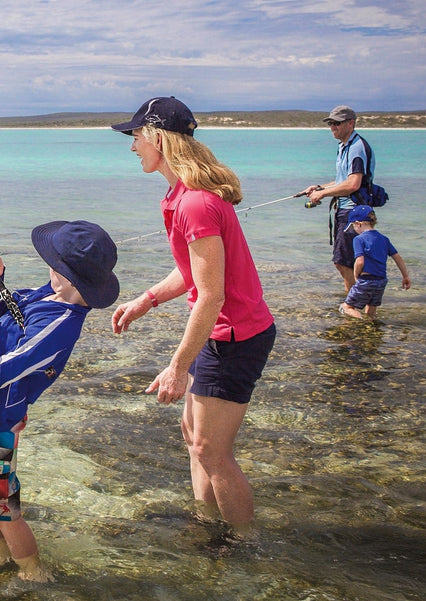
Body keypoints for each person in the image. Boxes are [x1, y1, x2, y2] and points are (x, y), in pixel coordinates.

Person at [109, 97, 276, 540]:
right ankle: (206, 524)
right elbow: (192, 272)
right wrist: (147, 300)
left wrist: (177, 366)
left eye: (137, 136)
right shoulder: (180, 196)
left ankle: (244, 542)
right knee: (192, 436)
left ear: (158, 137)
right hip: (224, 333)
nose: (132, 147)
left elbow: (212, 296)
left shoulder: (196, 205)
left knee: (210, 450)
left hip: (236, 336)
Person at [0, 220, 119, 596]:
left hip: (0, 415)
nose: (49, 268)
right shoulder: (50, 294)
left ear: (73, 278)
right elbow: (6, 314)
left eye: (55, 265)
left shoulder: (62, 324)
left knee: (1, 501)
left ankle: (34, 575)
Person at [302, 105, 377, 293]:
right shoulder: (344, 146)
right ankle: (357, 298)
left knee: (342, 262)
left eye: (337, 123)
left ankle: (353, 300)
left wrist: (323, 194)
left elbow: (353, 184)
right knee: (348, 261)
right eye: (331, 123)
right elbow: (342, 180)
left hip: (354, 211)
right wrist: (319, 187)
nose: (333, 127)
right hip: (346, 209)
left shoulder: (356, 148)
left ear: (350, 123)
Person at [338, 205, 411, 319]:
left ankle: (360, 322)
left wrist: (356, 275)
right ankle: (371, 328)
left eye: (353, 227)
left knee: (347, 307)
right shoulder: (384, 239)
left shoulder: (359, 239)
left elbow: (360, 261)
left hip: (366, 280)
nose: (354, 230)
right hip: (381, 281)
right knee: (371, 311)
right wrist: (405, 276)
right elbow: (398, 258)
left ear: (359, 224)